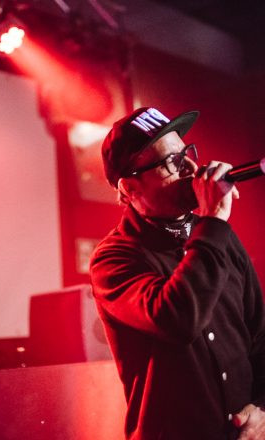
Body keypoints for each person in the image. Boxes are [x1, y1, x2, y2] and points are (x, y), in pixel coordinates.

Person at [90, 107, 265, 440]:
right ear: (129, 188)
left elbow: (260, 336)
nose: (190, 167)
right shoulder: (113, 260)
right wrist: (213, 222)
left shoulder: (220, 237)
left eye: (187, 153)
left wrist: (263, 409)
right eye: (170, 161)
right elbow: (178, 319)